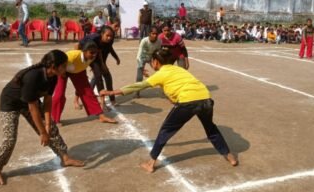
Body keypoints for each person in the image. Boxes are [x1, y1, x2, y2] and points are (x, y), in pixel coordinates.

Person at [100, 49, 239, 173]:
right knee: (211, 128)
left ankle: (151, 163)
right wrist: (153, 79)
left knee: (165, 131)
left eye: (151, 62)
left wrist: (112, 92)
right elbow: (172, 84)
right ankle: (229, 155)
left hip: (188, 101)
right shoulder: (180, 70)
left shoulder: (161, 74)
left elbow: (137, 86)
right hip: (206, 99)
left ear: (155, 62)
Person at [0, 50, 84, 186]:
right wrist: (42, 133)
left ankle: (65, 157)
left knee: (51, 127)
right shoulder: (33, 77)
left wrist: (47, 124)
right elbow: (32, 108)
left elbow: (47, 101)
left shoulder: (53, 76)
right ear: (53, 66)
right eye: (63, 66)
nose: (66, 68)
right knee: (10, 138)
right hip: (10, 102)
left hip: (29, 101)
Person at [52, 42, 116, 124]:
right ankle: (54, 119)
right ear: (84, 51)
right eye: (91, 52)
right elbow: (58, 62)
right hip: (63, 71)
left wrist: (101, 89)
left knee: (88, 92)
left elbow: (97, 75)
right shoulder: (72, 56)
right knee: (59, 95)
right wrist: (61, 72)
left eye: (95, 53)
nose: (93, 55)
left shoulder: (92, 58)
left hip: (79, 70)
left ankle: (101, 116)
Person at [73, 26, 120, 108]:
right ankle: (77, 100)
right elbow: (77, 45)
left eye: (111, 36)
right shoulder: (93, 39)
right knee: (97, 76)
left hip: (98, 57)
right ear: (101, 34)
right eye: (107, 35)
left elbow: (108, 50)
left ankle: (111, 100)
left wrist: (116, 58)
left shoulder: (110, 40)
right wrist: (79, 61)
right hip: (88, 56)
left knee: (107, 77)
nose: (109, 38)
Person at [135, 26, 162, 97]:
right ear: (149, 34)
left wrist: (157, 62)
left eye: (156, 34)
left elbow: (157, 52)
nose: (155, 35)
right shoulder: (144, 41)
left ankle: (165, 89)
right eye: (153, 33)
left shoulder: (159, 41)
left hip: (151, 57)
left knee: (162, 72)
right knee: (139, 77)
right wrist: (142, 69)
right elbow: (139, 56)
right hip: (142, 58)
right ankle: (137, 92)